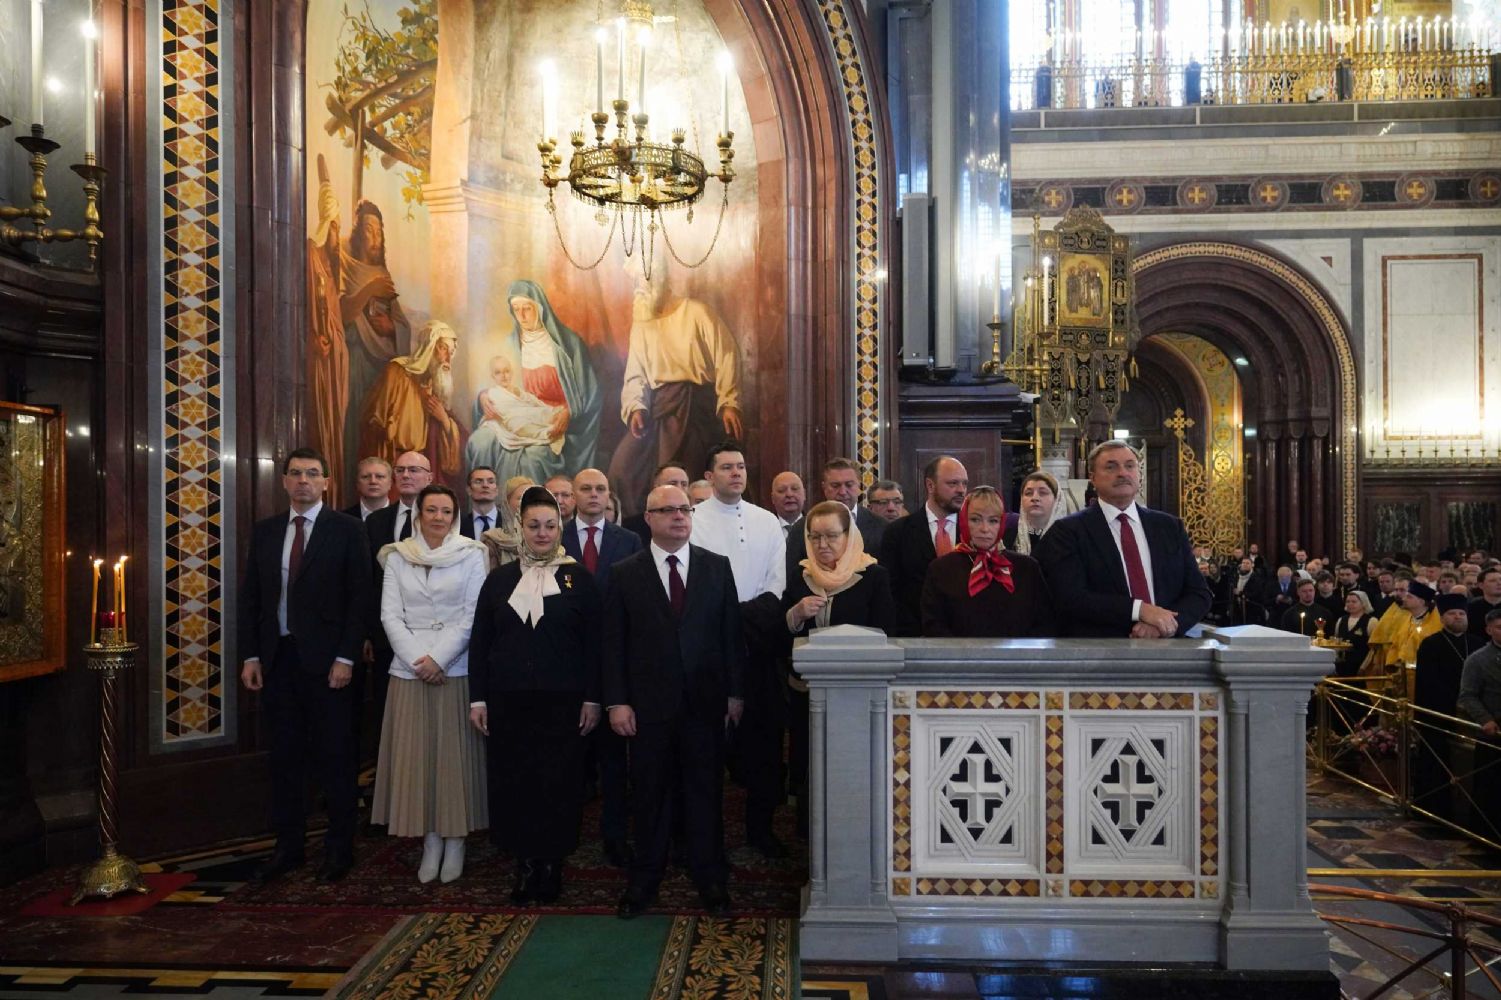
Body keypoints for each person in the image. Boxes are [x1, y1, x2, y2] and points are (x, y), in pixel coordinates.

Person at [604, 485, 743, 918]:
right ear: (648, 518)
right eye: (668, 510)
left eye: (685, 509)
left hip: (705, 704)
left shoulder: (716, 567)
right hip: (648, 708)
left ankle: (710, 877)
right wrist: (616, 702)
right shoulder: (624, 573)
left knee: (705, 793)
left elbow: (731, 636)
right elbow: (613, 644)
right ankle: (644, 880)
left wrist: (735, 693)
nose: (679, 516)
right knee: (649, 795)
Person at [239, 448, 370, 883]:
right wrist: (252, 655)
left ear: (326, 482)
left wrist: (346, 657)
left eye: (312, 474)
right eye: (295, 473)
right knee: (285, 758)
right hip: (278, 662)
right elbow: (252, 598)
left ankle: (339, 848)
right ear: (284, 481)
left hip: (330, 665)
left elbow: (360, 598)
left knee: (335, 757)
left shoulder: (347, 529)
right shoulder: (266, 531)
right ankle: (289, 847)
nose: (303, 481)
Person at [469, 487, 603, 904]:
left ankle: (552, 863)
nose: (542, 533)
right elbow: (481, 642)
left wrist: (593, 698)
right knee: (516, 781)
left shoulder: (579, 579)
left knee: (558, 783)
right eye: (533, 526)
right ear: (520, 527)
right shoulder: (499, 580)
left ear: (560, 527)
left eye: (549, 525)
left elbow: (595, 645)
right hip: (509, 700)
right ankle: (525, 864)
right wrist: (478, 699)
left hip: (564, 701)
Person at [373, 484, 489, 883]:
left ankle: (455, 840)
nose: (438, 517)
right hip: (409, 672)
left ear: (455, 516)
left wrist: (439, 659)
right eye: (431, 510)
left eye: (446, 511)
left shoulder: (472, 553)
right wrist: (419, 661)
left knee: (452, 759)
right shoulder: (397, 556)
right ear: (418, 514)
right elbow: (390, 616)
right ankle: (430, 840)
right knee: (418, 759)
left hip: (455, 670)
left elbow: (473, 615)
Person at [690, 442, 789, 858]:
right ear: (709, 476)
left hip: (758, 648)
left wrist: (741, 618)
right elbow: (696, 589)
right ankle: (703, 837)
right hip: (709, 652)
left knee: (764, 746)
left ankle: (761, 829)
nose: (736, 473)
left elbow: (777, 584)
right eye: (727, 467)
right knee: (707, 749)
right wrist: (729, 619)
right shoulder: (693, 521)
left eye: (741, 466)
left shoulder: (766, 521)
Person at [783, 501, 895, 833]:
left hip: (856, 695)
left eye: (831, 536)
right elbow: (782, 635)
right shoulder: (801, 575)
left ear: (849, 535)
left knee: (851, 764)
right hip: (807, 692)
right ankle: (810, 832)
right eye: (814, 537)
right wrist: (795, 615)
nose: (822, 545)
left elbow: (886, 632)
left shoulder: (873, 576)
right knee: (810, 761)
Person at [607, 260, 744, 517]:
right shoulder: (642, 323)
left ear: (660, 280)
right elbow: (636, 373)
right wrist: (636, 406)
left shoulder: (695, 312)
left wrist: (729, 401)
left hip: (695, 406)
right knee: (622, 469)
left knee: (689, 473)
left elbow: (726, 354)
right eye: (635, 282)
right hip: (658, 409)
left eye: (643, 280)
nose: (639, 287)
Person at [1034, 441, 1211, 638]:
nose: (1122, 473)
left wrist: (1163, 625)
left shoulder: (1169, 527)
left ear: (1139, 474)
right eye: (1111, 467)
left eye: (1130, 466)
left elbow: (1199, 593)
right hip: (1100, 648)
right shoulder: (1068, 532)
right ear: (1093, 478)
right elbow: (1071, 598)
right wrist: (1139, 610)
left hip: (1168, 645)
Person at [562, 468, 643, 868]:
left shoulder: (629, 541)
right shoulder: (555, 538)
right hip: (567, 665)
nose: (593, 495)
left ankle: (615, 836)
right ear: (573, 494)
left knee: (613, 762)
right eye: (586, 489)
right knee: (567, 761)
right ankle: (563, 836)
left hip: (613, 662)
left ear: (609, 495)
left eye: (600, 489)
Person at [464, 281, 602, 486]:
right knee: (480, 443)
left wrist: (568, 411)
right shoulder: (510, 344)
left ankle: (531, 506)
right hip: (512, 417)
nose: (521, 316)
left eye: (527, 308)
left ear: (540, 307)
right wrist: (483, 397)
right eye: (516, 309)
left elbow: (590, 394)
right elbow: (494, 383)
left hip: (551, 421)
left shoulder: (568, 344)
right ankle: (488, 505)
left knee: (533, 459)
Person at [340, 199, 413, 491]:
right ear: (358, 234)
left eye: (379, 231)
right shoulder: (345, 266)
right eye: (368, 230)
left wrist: (391, 328)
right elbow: (339, 313)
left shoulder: (383, 274)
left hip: (381, 367)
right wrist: (369, 290)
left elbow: (402, 325)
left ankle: (381, 483)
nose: (374, 238)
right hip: (355, 360)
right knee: (355, 423)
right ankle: (352, 485)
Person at [363, 452, 433, 752]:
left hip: (434, 635)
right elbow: (367, 581)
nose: (406, 475)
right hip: (386, 636)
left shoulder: (447, 519)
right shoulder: (376, 521)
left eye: (414, 470)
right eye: (400, 470)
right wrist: (367, 632)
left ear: (429, 477)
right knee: (388, 712)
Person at [921, 487, 1056, 638]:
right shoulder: (941, 569)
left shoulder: (1027, 568)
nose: (985, 529)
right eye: (975, 519)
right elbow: (933, 625)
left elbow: (1044, 623)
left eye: (993, 521)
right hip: (958, 652)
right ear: (964, 521)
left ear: (1002, 523)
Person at [358, 320, 466, 489]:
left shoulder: (436, 386)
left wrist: (444, 419)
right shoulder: (397, 372)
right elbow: (374, 419)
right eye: (443, 348)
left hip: (422, 468)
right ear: (428, 346)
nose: (447, 358)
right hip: (393, 464)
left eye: (451, 352)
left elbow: (451, 446)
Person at [879, 456, 969, 636]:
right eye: (953, 483)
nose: (961, 490)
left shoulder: (974, 531)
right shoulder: (899, 532)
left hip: (966, 636)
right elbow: (891, 592)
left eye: (964, 484)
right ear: (930, 485)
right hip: (913, 635)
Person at [1412, 595, 1481, 822]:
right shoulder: (1431, 644)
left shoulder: (1477, 644)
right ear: (1442, 618)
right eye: (1452, 614)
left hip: (1474, 714)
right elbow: (1428, 683)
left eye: (1462, 614)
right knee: (1436, 761)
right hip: (1440, 712)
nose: (1458, 617)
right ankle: (1434, 809)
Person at [307, 155, 348, 508]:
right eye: (335, 228)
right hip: (319, 362)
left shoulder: (333, 268)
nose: (339, 236)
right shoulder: (310, 256)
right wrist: (312, 339)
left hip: (336, 363)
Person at [1458, 609, 1501, 841]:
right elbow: (1468, 695)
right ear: (1489, 630)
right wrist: (1485, 719)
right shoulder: (1478, 659)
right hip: (1493, 732)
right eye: (1500, 627)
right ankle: (1486, 837)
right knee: (1490, 788)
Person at [622, 463, 690, 547]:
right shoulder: (632, 527)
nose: (679, 488)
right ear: (656, 487)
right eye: (673, 483)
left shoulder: (698, 520)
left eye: (684, 484)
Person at [478, 475, 537, 570]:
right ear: (507, 502)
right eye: (521, 497)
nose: (527, 501)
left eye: (532, 497)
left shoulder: (545, 536)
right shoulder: (493, 540)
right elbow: (489, 575)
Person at [1002, 470, 1064, 557]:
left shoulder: (1065, 535)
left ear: (1056, 499)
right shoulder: (1009, 529)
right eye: (1028, 493)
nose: (1035, 498)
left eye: (1043, 493)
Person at [1332, 590, 1375, 678]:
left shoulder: (1371, 621)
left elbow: (1373, 649)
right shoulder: (1341, 620)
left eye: (1354, 602)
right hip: (1342, 667)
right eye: (1348, 601)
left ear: (1363, 603)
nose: (1350, 604)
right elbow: (1336, 643)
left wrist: (1363, 667)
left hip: (1360, 666)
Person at [342, 456, 392, 522]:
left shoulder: (402, 517)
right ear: (357, 484)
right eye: (366, 477)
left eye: (379, 476)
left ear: (390, 483)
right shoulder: (342, 519)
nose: (373, 481)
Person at [459, 465, 501, 539]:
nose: (485, 485)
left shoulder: (511, 523)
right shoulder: (459, 525)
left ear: (497, 490)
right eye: (478, 482)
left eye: (491, 482)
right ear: (469, 490)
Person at [770, 471, 806, 537]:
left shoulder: (814, 525)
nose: (789, 494)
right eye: (781, 490)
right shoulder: (764, 527)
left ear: (804, 494)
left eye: (795, 489)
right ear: (773, 498)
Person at [1470, 568, 1501, 639]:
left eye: (1500, 579)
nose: (1499, 583)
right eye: (1493, 581)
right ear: (1481, 585)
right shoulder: (1471, 607)